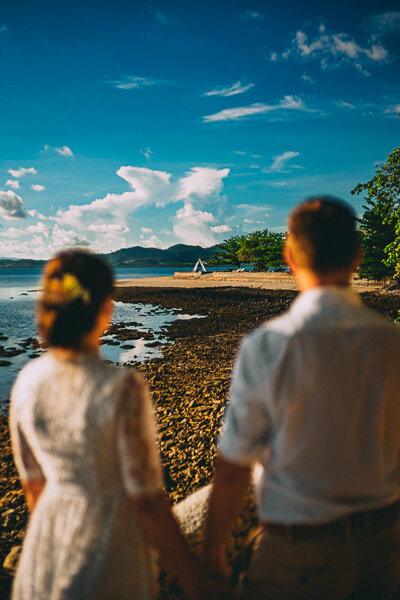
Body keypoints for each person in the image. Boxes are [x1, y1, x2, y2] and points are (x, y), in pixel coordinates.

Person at [202, 196, 400, 600]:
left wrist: (211, 552)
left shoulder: (269, 344)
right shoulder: (391, 342)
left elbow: (235, 466)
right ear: (358, 255)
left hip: (302, 556)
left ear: (289, 257)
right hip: (387, 546)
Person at [10, 249, 225, 600]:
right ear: (106, 309)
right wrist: (195, 582)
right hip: (107, 550)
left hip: (45, 550)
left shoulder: (27, 380)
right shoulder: (120, 388)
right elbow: (148, 502)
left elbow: (33, 486)